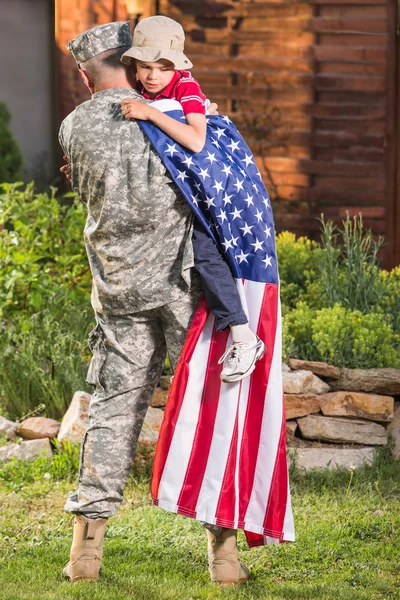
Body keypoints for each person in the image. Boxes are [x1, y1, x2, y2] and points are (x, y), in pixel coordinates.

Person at [59, 21, 249, 586]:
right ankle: (224, 557)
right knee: (209, 409)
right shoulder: (167, 115)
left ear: (85, 72)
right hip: (183, 285)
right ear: (136, 61)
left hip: (118, 290)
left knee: (114, 410)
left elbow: (89, 191)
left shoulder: (76, 125)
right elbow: (214, 182)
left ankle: (84, 557)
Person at [119, 16, 265, 384]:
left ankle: (243, 335)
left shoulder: (186, 86)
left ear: (177, 66)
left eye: (162, 67)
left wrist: (152, 113)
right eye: (145, 66)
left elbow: (198, 140)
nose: (153, 76)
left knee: (206, 251)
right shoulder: (140, 89)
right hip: (187, 191)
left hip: (214, 186)